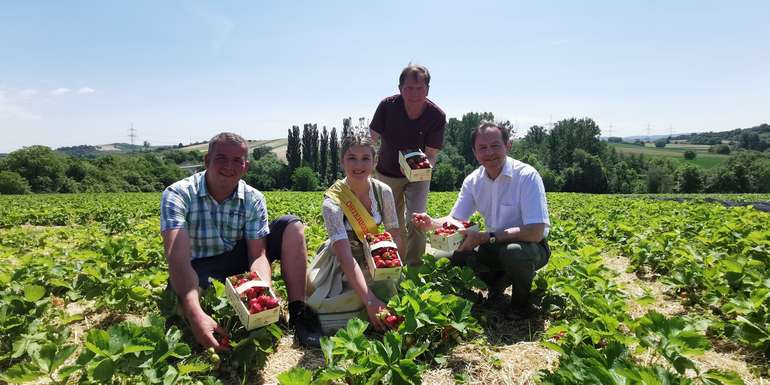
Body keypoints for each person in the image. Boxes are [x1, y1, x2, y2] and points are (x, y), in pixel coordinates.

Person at [160, 132, 321, 349]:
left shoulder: (253, 198)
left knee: (291, 226)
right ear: (207, 161)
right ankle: (196, 312)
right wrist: (195, 313)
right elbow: (177, 259)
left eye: (237, 160)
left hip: (238, 263)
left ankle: (298, 313)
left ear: (245, 166)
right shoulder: (178, 194)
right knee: (184, 312)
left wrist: (261, 292)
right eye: (221, 158)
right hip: (197, 269)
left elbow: (257, 255)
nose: (229, 166)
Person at [412, 123, 551, 320]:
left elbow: (535, 231)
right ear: (475, 153)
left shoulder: (526, 176)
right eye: (482, 148)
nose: (489, 153)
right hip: (492, 244)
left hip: (530, 246)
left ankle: (521, 305)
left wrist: (487, 237)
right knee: (442, 256)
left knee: (514, 253)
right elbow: (456, 219)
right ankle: (492, 285)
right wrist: (432, 223)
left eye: (495, 146)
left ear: (508, 146)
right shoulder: (473, 180)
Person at [307, 130, 403, 331]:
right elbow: (344, 256)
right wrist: (369, 300)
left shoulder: (383, 191)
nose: (359, 165)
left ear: (374, 162)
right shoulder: (333, 202)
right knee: (340, 299)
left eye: (365, 158)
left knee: (389, 291)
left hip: (376, 258)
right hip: (342, 261)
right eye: (352, 158)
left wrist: (388, 264)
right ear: (342, 162)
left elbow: (394, 233)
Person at [370, 64, 446, 266]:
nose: (414, 94)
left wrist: (422, 168)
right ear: (400, 88)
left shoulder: (436, 116)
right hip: (387, 173)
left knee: (418, 220)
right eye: (409, 88)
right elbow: (371, 140)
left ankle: (414, 266)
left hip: (418, 176)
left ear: (427, 89)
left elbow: (431, 154)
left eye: (420, 88)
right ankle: (394, 264)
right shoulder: (387, 106)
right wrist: (364, 165)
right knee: (392, 222)